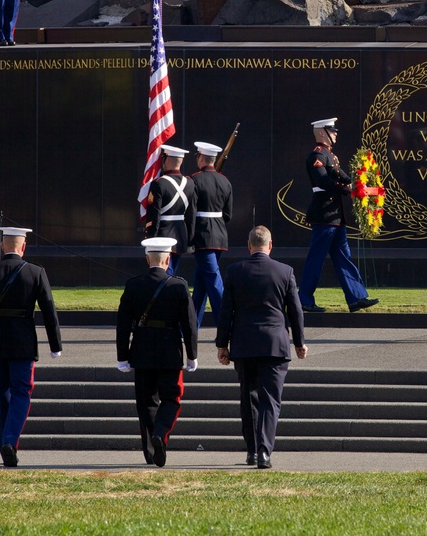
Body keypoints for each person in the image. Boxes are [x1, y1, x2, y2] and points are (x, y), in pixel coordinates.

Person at [0, 226, 62, 467]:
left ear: (2, 246)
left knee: (2, 396)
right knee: (22, 391)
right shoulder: (35, 272)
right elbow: (49, 310)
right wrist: (55, 344)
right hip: (23, 341)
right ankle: (10, 440)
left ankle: (4, 447)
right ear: (23, 246)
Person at [216, 226, 308, 469]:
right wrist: (299, 342)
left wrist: (221, 344)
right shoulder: (285, 271)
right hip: (275, 345)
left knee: (249, 399)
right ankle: (265, 451)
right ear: (270, 245)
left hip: (244, 345)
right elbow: (295, 311)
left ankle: (252, 451)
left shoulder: (235, 271)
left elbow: (226, 311)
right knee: (271, 401)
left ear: (249, 246)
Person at [116, 237, 199, 467]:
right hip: (170, 351)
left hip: (141, 351)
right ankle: (161, 434)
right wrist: (192, 354)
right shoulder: (179, 285)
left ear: (147, 259)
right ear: (168, 259)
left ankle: (151, 451)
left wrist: (122, 356)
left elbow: (123, 324)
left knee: (146, 402)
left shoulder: (133, 285)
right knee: (172, 398)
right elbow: (190, 325)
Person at [300, 117, 379, 314]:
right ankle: (304, 300)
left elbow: (343, 177)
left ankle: (356, 298)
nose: (335, 133)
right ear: (321, 133)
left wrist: (362, 185)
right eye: (332, 130)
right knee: (316, 259)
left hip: (335, 217)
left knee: (344, 257)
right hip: (324, 215)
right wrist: (348, 188)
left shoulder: (331, 157)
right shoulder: (316, 156)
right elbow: (325, 182)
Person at [189, 141, 232, 328]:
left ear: (200, 158)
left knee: (214, 283)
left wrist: (189, 237)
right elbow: (228, 214)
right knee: (201, 286)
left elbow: (190, 213)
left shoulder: (194, 180)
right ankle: (190, 327)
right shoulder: (225, 181)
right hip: (219, 235)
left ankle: (227, 326)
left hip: (202, 236)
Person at [144, 145, 197, 277]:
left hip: (162, 234)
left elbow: (154, 214)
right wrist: (189, 238)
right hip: (181, 234)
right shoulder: (190, 183)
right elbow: (191, 214)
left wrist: (151, 237)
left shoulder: (159, 183)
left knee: (164, 273)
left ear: (166, 160)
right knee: (170, 271)